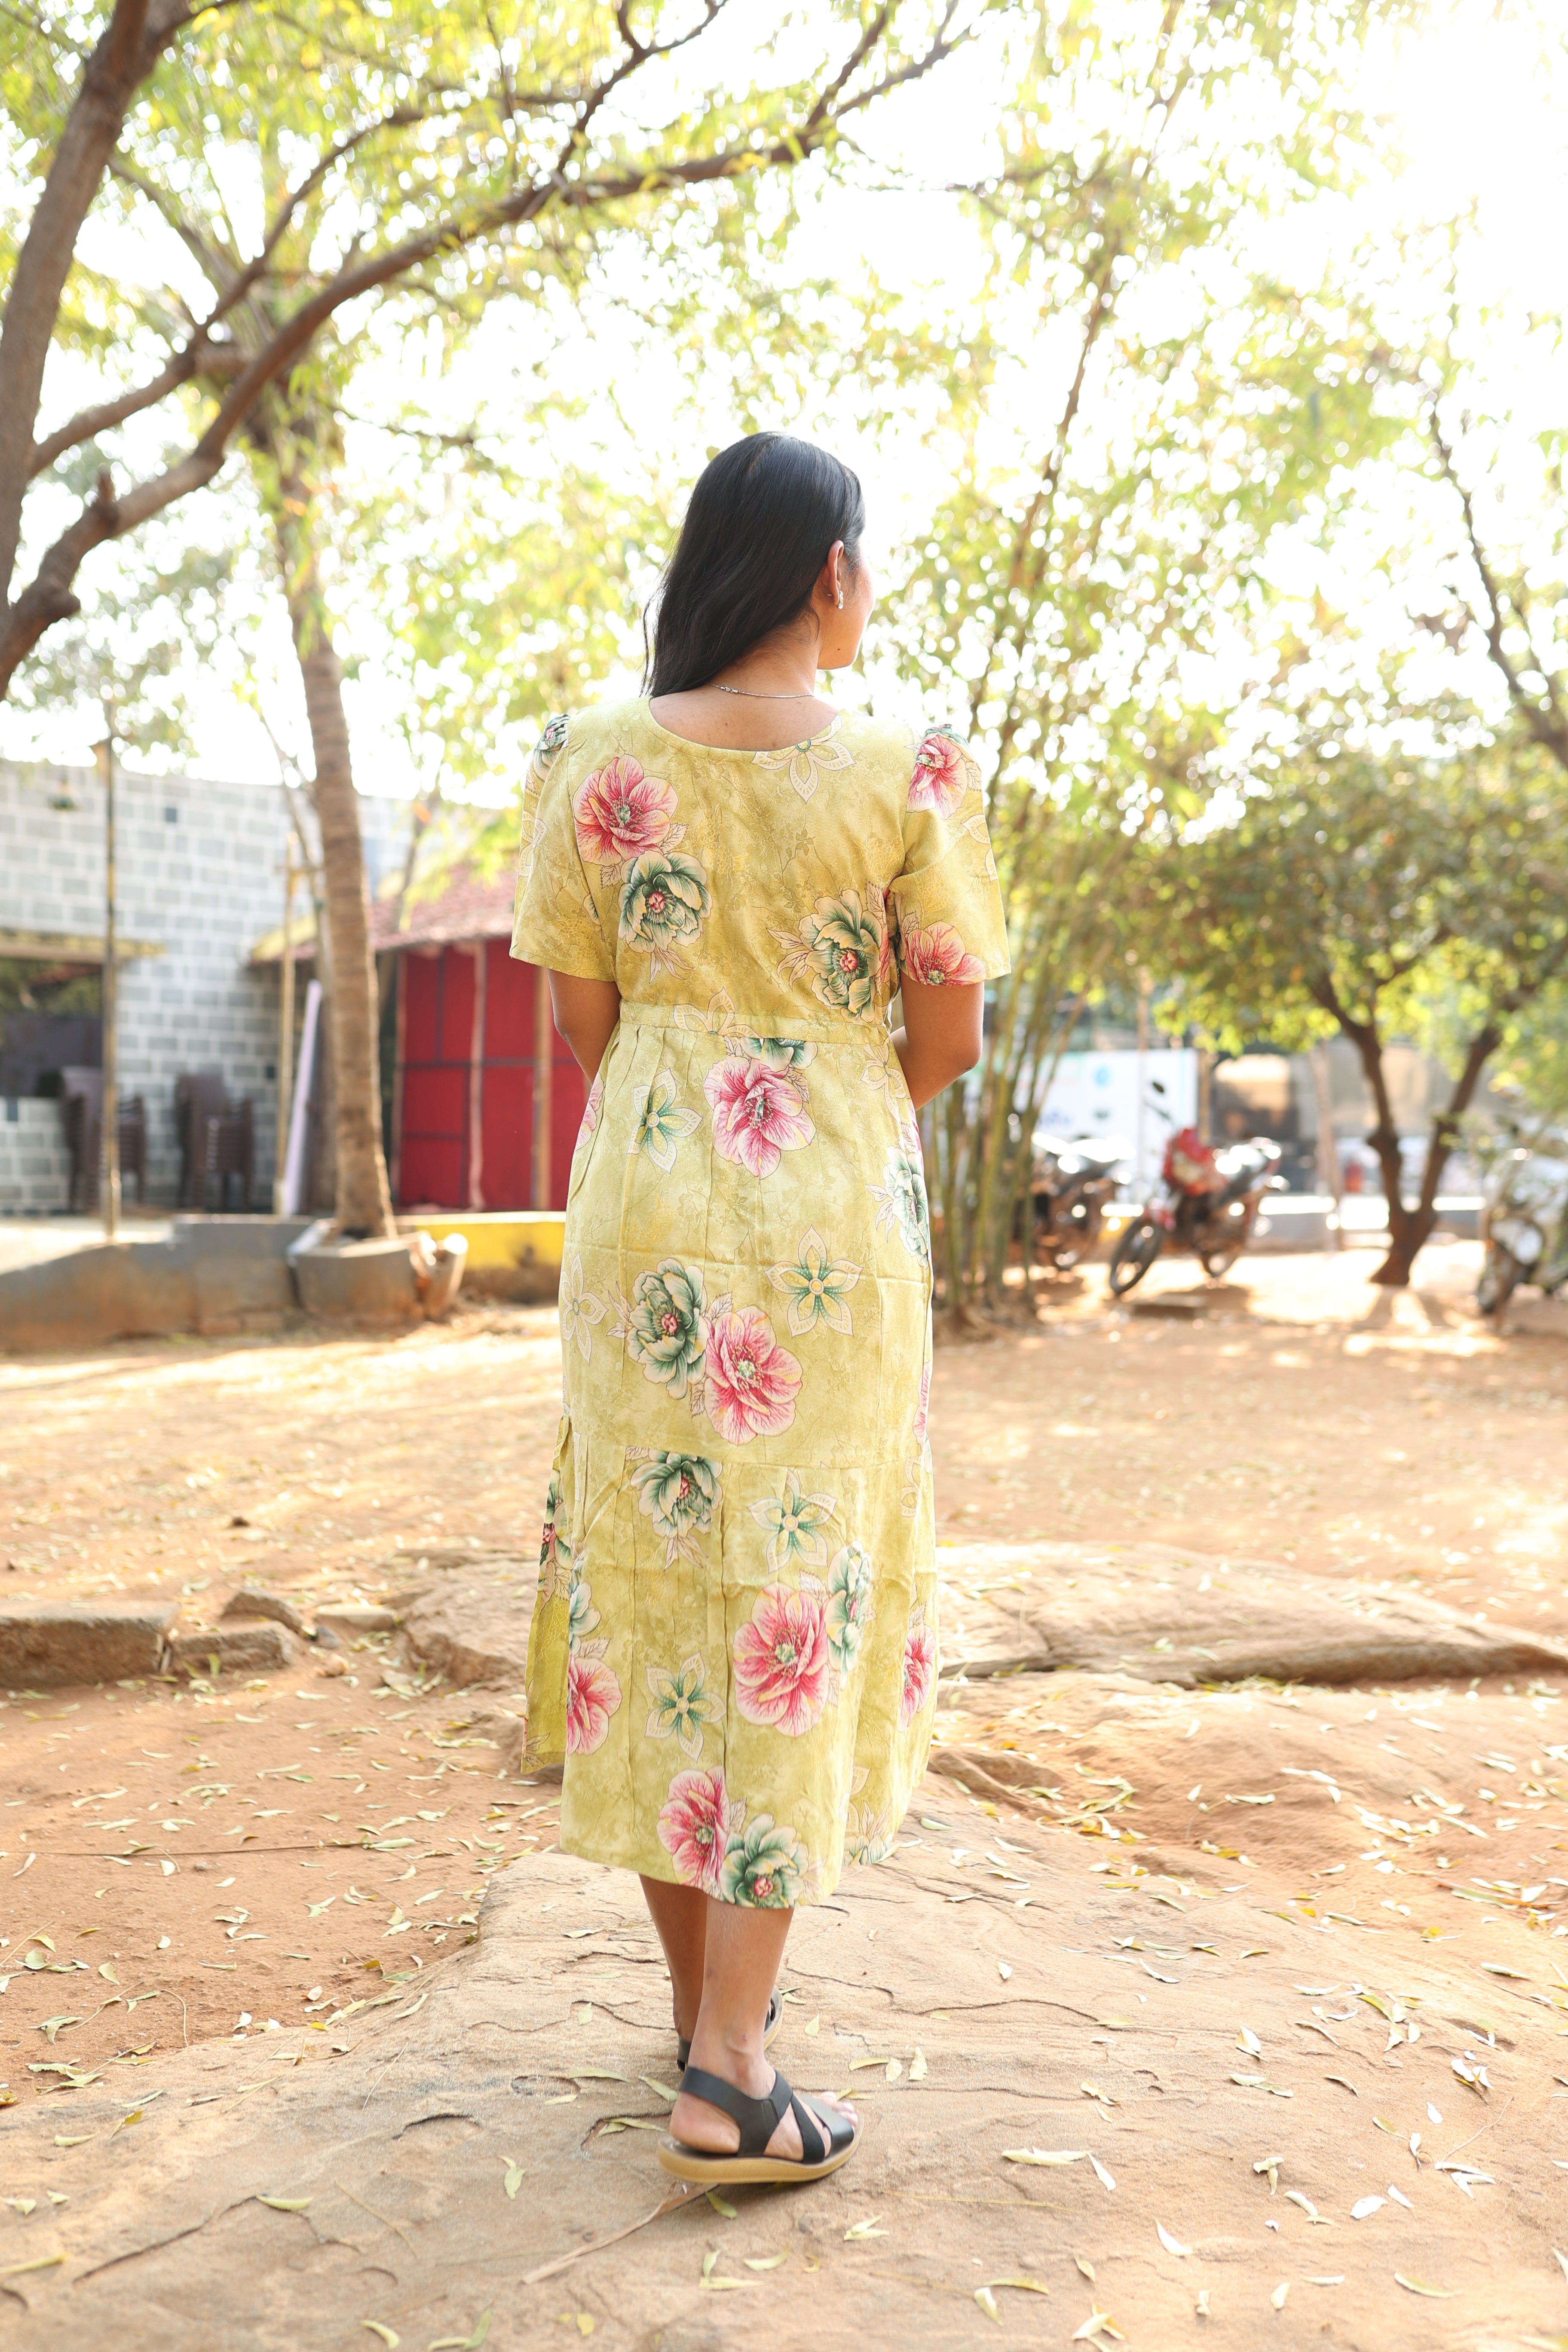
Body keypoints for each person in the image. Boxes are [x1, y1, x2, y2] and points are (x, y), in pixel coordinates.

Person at [510, 431, 1010, 2187]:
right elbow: (948, 1033)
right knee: (801, 1583)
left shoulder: (589, 755)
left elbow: (584, 1020)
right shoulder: (909, 765)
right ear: (830, 571)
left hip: (644, 1205)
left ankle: (701, 2025)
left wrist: (694, 1108)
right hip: (835, 1214)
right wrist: (821, 1115)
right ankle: (732, 2066)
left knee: (659, 1582)